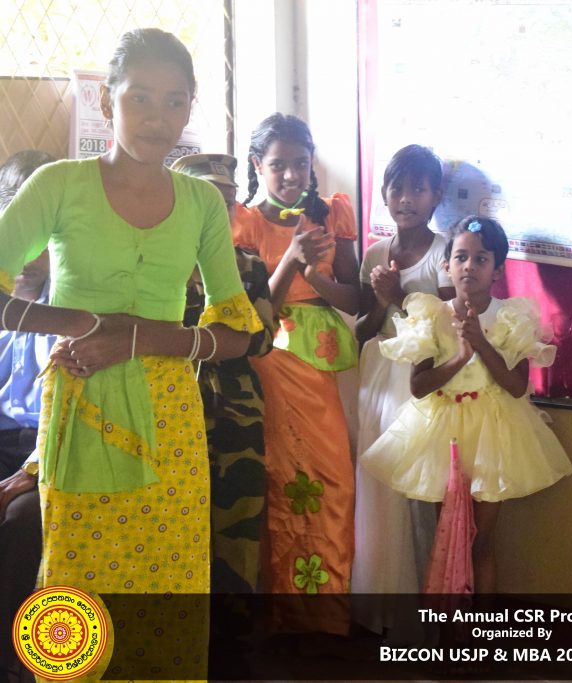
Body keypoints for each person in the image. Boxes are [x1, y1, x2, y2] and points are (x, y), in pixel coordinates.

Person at [0, 28, 262, 679]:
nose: (156, 117)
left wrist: (138, 337)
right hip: (83, 405)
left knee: (167, 581)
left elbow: (237, 331)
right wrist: (85, 323)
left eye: (174, 101)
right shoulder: (60, 185)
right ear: (107, 100)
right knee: (78, 579)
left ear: (190, 108)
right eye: (139, 96)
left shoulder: (201, 203)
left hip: (171, 417)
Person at [360, 215, 572, 594]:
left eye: (481, 259)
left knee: (480, 541)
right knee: (449, 535)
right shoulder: (430, 314)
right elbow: (419, 386)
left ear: (497, 270)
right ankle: (449, 624)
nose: (469, 266)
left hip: (495, 433)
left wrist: (482, 344)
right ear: (446, 265)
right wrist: (460, 357)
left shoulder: (510, 316)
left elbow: (515, 386)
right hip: (443, 437)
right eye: (460, 257)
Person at [232, 114, 359, 632]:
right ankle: (283, 617)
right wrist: (289, 260)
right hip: (269, 365)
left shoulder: (331, 216)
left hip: (319, 369)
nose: (290, 175)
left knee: (334, 482)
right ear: (257, 165)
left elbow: (355, 298)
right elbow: (247, 313)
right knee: (280, 484)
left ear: (312, 165)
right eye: (278, 165)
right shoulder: (242, 224)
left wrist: (313, 273)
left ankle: (323, 616)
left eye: (300, 164)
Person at [351, 144, 455, 637]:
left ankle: (421, 619)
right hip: (378, 378)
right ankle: (378, 611)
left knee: (415, 492)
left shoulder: (444, 252)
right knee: (377, 488)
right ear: (384, 193)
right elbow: (363, 329)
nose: (406, 198)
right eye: (397, 188)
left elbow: (449, 326)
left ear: (436, 196)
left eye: (418, 188)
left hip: (419, 383)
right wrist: (380, 300)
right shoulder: (375, 252)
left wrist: (401, 295)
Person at [171, 152, 277, 593]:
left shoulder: (249, 266)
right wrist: (222, 335)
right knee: (177, 525)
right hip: (174, 410)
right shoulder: (161, 267)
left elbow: (263, 339)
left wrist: (210, 337)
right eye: (208, 199)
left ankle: (237, 627)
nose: (221, 209)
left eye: (228, 201)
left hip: (238, 412)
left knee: (240, 531)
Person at [0, 150, 56, 683]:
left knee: (22, 522)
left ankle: (15, 665)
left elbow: (74, 402)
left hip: (51, 447)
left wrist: (30, 471)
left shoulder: (75, 302)